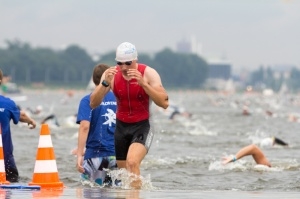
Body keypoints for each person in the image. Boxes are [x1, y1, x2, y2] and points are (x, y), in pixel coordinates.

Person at [90, 42, 169, 189]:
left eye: (128, 63)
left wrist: (144, 84)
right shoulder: (112, 75)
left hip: (142, 125)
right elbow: (93, 103)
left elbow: (164, 102)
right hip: (121, 128)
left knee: (132, 162)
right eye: (120, 63)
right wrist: (105, 83)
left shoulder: (148, 73)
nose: (124, 68)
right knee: (124, 175)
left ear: (135, 60)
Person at [76, 64, 118, 186]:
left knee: (91, 191)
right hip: (117, 156)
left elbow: (84, 126)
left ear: (94, 80)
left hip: (94, 156)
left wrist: (79, 154)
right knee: (119, 192)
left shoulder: (87, 100)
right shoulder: (119, 99)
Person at [0, 69, 37, 182]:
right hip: (5, 161)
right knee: (10, 186)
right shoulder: (7, 103)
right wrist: (31, 121)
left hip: (6, 159)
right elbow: (21, 115)